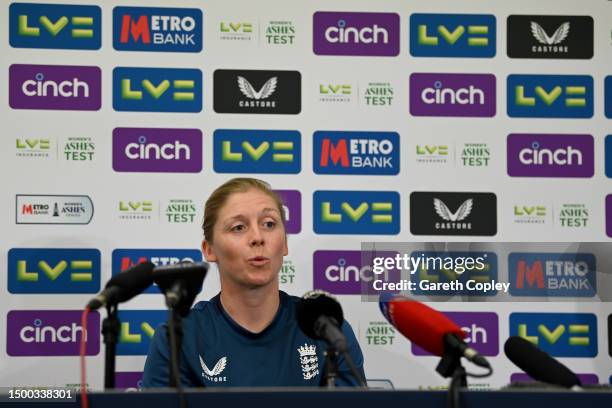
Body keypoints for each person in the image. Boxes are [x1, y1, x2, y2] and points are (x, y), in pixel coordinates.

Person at [143, 178, 365, 387]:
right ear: (209, 250)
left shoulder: (327, 330)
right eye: (238, 227)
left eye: (269, 224)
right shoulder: (178, 339)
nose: (258, 237)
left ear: (285, 243)